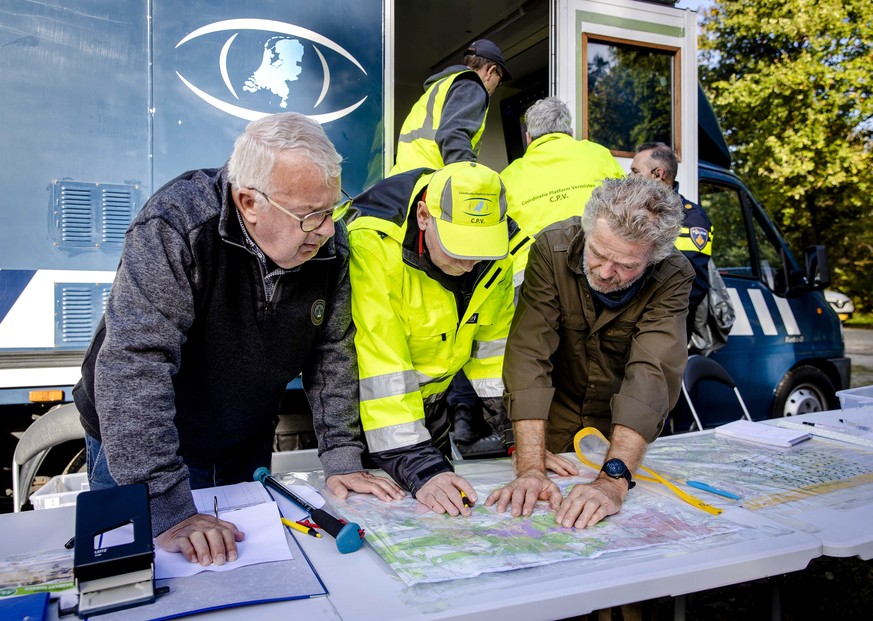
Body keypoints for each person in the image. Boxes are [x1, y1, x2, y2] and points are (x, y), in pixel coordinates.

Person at [72, 112, 403, 568]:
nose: (327, 230)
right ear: (248, 201)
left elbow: (332, 354)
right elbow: (136, 365)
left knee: (246, 568)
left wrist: (343, 458)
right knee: (152, 576)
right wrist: (165, 506)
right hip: (144, 446)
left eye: (332, 209)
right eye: (311, 216)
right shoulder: (178, 226)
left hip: (241, 435)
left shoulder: (330, 245)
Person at [486, 176, 693, 528]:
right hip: (551, 428)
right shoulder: (551, 248)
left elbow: (651, 373)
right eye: (597, 253)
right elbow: (528, 354)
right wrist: (531, 465)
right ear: (587, 228)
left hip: (620, 434)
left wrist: (613, 480)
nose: (606, 272)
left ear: (654, 257)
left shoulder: (673, 275)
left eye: (627, 266)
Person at [347, 161, 531, 516]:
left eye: (480, 250)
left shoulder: (496, 253)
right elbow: (382, 365)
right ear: (423, 216)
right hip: (371, 422)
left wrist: (517, 435)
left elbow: (494, 351)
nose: (469, 264)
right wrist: (419, 465)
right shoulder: (373, 246)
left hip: (433, 410)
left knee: (445, 514)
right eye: (458, 248)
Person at [501, 97, 624, 285]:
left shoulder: (508, 176)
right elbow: (627, 203)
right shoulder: (598, 155)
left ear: (528, 137)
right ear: (571, 132)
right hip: (595, 268)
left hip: (531, 275)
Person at [390, 39, 510, 175]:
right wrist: (467, 178)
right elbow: (453, 133)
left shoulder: (437, 89)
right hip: (433, 182)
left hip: (407, 182)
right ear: (490, 70)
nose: (495, 87)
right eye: (498, 81)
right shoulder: (471, 85)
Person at [630, 142, 713, 335]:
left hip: (665, 327)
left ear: (658, 174)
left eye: (635, 172)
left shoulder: (692, 219)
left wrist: (652, 317)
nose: (629, 178)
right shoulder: (632, 211)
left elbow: (693, 284)